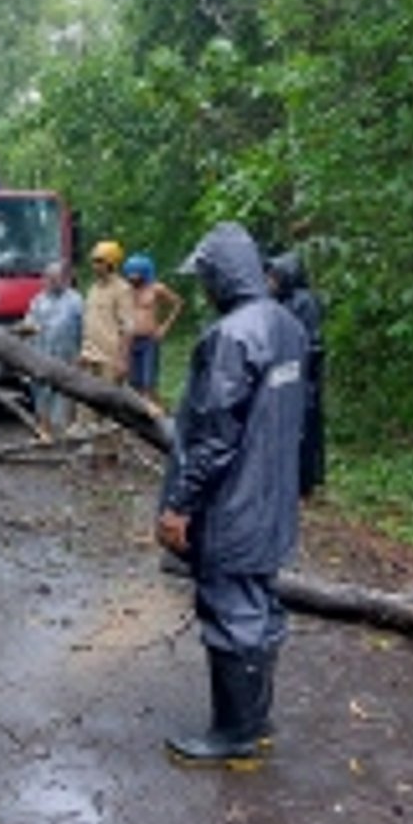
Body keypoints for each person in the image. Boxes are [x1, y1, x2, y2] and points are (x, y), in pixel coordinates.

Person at [156, 222, 307, 764]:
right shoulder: (288, 326)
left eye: (205, 276)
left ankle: (234, 734)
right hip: (272, 500)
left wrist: (180, 505)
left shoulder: (231, 337)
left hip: (233, 505)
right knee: (261, 608)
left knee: (231, 612)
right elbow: (302, 417)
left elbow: (215, 435)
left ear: (222, 275)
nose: (203, 287)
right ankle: (254, 720)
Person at [266, 250, 326, 498]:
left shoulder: (304, 301)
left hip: (302, 373)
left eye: (274, 276)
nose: (270, 281)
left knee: (303, 427)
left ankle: (304, 482)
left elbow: (311, 341)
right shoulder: (278, 301)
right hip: (282, 370)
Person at [21, 260, 84, 440]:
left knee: (68, 393)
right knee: (41, 393)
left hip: (67, 354)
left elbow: (84, 328)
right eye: (50, 277)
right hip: (41, 353)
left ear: (65, 279)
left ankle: (68, 430)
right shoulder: (38, 300)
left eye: (57, 277)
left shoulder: (76, 300)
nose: (53, 281)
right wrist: (27, 329)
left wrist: (82, 353)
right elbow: (29, 322)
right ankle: (44, 430)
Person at [122, 253, 183, 411]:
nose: (132, 278)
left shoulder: (156, 288)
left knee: (149, 384)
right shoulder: (126, 290)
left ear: (144, 274)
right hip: (131, 340)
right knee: (134, 383)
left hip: (149, 340)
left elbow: (178, 303)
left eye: (136, 275)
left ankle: (161, 417)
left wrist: (165, 327)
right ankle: (138, 421)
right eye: (130, 275)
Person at [81, 240, 135, 385]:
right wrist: (84, 351)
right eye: (93, 261)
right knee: (85, 404)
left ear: (111, 263)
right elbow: (89, 323)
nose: (94, 265)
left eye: (99, 261)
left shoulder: (122, 290)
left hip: (110, 361)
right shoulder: (93, 289)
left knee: (108, 404)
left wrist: (122, 361)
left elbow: (128, 329)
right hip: (89, 358)